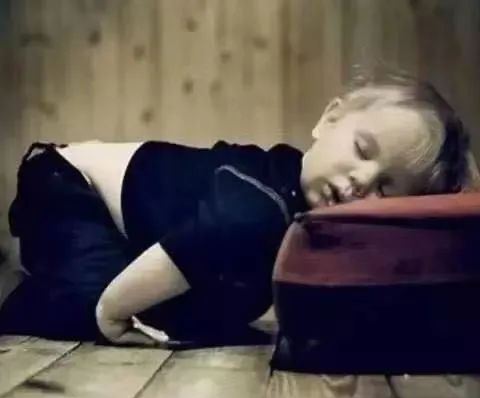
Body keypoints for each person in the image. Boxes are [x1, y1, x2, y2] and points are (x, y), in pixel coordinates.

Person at [1, 74, 479, 346]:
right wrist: (111, 310)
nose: (361, 182)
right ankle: (21, 298)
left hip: (131, 226)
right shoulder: (263, 200)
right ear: (328, 120)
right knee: (95, 302)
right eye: (362, 149)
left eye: (386, 189)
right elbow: (202, 242)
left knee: (193, 308)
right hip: (69, 182)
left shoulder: (304, 219)